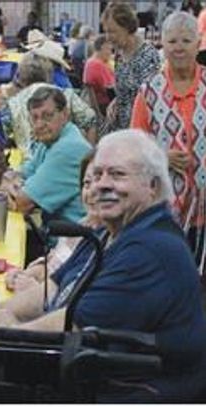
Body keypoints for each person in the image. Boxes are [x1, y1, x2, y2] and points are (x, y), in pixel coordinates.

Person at [0, 130, 206, 402]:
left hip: (137, 389)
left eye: (117, 175)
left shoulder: (152, 249)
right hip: (92, 370)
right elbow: (54, 287)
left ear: (153, 186)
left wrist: (6, 333)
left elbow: (74, 327)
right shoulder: (108, 232)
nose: (102, 185)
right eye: (97, 174)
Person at [131, 11, 206, 272]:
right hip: (166, 209)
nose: (179, 48)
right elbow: (135, 147)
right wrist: (160, 155)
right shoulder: (149, 91)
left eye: (186, 41)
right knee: (171, 277)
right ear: (162, 44)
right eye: (172, 41)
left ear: (198, 44)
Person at [6, 152, 100, 292]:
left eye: (100, 183)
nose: (92, 191)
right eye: (87, 183)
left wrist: (36, 290)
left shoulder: (107, 242)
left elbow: (70, 299)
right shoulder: (84, 224)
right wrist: (28, 273)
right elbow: (55, 260)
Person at [0, 86, 92, 224]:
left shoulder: (67, 148)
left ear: (65, 114)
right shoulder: (49, 139)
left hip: (73, 239)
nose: (39, 124)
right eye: (34, 118)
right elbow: (22, 174)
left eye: (47, 116)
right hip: (57, 231)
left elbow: (23, 203)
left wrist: (9, 187)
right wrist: (10, 181)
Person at [2, 54, 97, 156]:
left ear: (22, 77)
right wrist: (89, 155)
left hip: (30, 164)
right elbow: (91, 120)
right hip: (67, 158)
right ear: (48, 73)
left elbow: (0, 133)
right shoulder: (67, 94)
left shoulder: (13, 103)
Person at [101, 2, 160, 132]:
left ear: (127, 27)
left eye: (112, 31)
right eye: (106, 32)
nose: (108, 37)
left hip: (139, 130)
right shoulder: (119, 54)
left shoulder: (148, 56)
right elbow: (125, 91)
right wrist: (116, 101)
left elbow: (151, 100)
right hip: (120, 126)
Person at [82, 34, 115, 116]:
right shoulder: (97, 65)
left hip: (98, 106)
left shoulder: (90, 61)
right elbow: (110, 89)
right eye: (109, 49)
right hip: (105, 107)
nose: (110, 53)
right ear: (102, 47)